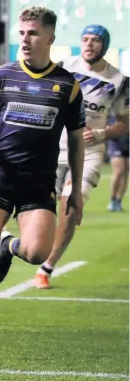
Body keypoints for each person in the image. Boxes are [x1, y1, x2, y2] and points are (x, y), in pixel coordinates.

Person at [0, 6, 86, 334]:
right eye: (22, 32)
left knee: (38, 253)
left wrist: (76, 188)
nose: (25, 39)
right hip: (2, 174)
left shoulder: (67, 86)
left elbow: (78, 142)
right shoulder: (1, 76)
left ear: (50, 37)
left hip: (39, 183)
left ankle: (8, 245)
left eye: (33, 32)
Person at [33, 25, 129, 289]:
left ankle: (47, 267)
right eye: (85, 39)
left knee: (70, 204)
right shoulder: (64, 66)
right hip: (54, 149)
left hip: (89, 154)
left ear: (104, 46)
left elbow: (125, 123)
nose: (88, 44)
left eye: (95, 40)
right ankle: (22, 245)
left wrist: (101, 133)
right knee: (41, 209)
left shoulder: (119, 81)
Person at [107, 128, 129, 212]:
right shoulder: (114, 115)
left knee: (126, 174)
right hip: (116, 142)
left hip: (128, 141)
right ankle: (112, 199)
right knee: (119, 171)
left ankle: (118, 201)